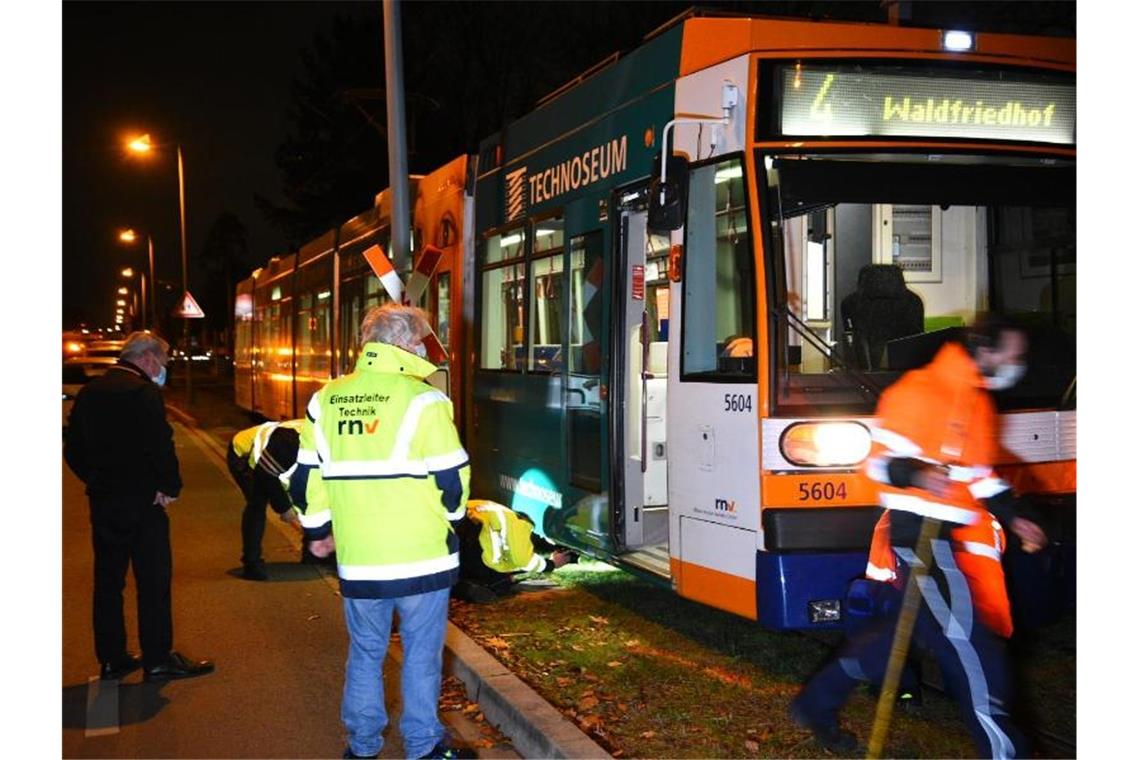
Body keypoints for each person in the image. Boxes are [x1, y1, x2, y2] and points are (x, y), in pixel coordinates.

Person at [790, 315, 1047, 758]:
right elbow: (874, 463)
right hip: (920, 537)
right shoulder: (917, 391)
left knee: (901, 636)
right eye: (1013, 354)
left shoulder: (977, 403)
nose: (1018, 364)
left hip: (949, 534)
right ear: (985, 349)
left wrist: (1016, 515)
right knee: (972, 648)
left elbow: (981, 478)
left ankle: (815, 703)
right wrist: (920, 474)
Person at [292, 304, 475, 760]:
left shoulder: (326, 399)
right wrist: (451, 521)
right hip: (421, 556)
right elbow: (452, 478)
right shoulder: (425, 399)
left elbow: (305, 474)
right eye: (421, 341)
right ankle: (422, 745)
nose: (422, 349)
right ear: (406, 344)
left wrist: (316, 529)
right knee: (420, 655)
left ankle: (362, 745)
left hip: (360, 558)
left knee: (366, 652)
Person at [64, 331, 214, 682]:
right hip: (144, 503)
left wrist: (97, 481)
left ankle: (112, 657)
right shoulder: (143, 393)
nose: (162, 368)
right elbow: (160, 444)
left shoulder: (90, 392)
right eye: (161, 361)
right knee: (153, 581)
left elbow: (73, 450)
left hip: (104, 503)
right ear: (147, 359)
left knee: (108, 582)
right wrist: (169, 487)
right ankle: (158, 658)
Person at [227, 420, 303, 580]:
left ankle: (313, 551)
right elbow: (266, 475)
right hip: (244, 455)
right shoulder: (290, 441)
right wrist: (285, 508)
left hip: (272, 457)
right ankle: (251, 563)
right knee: (257, 503)